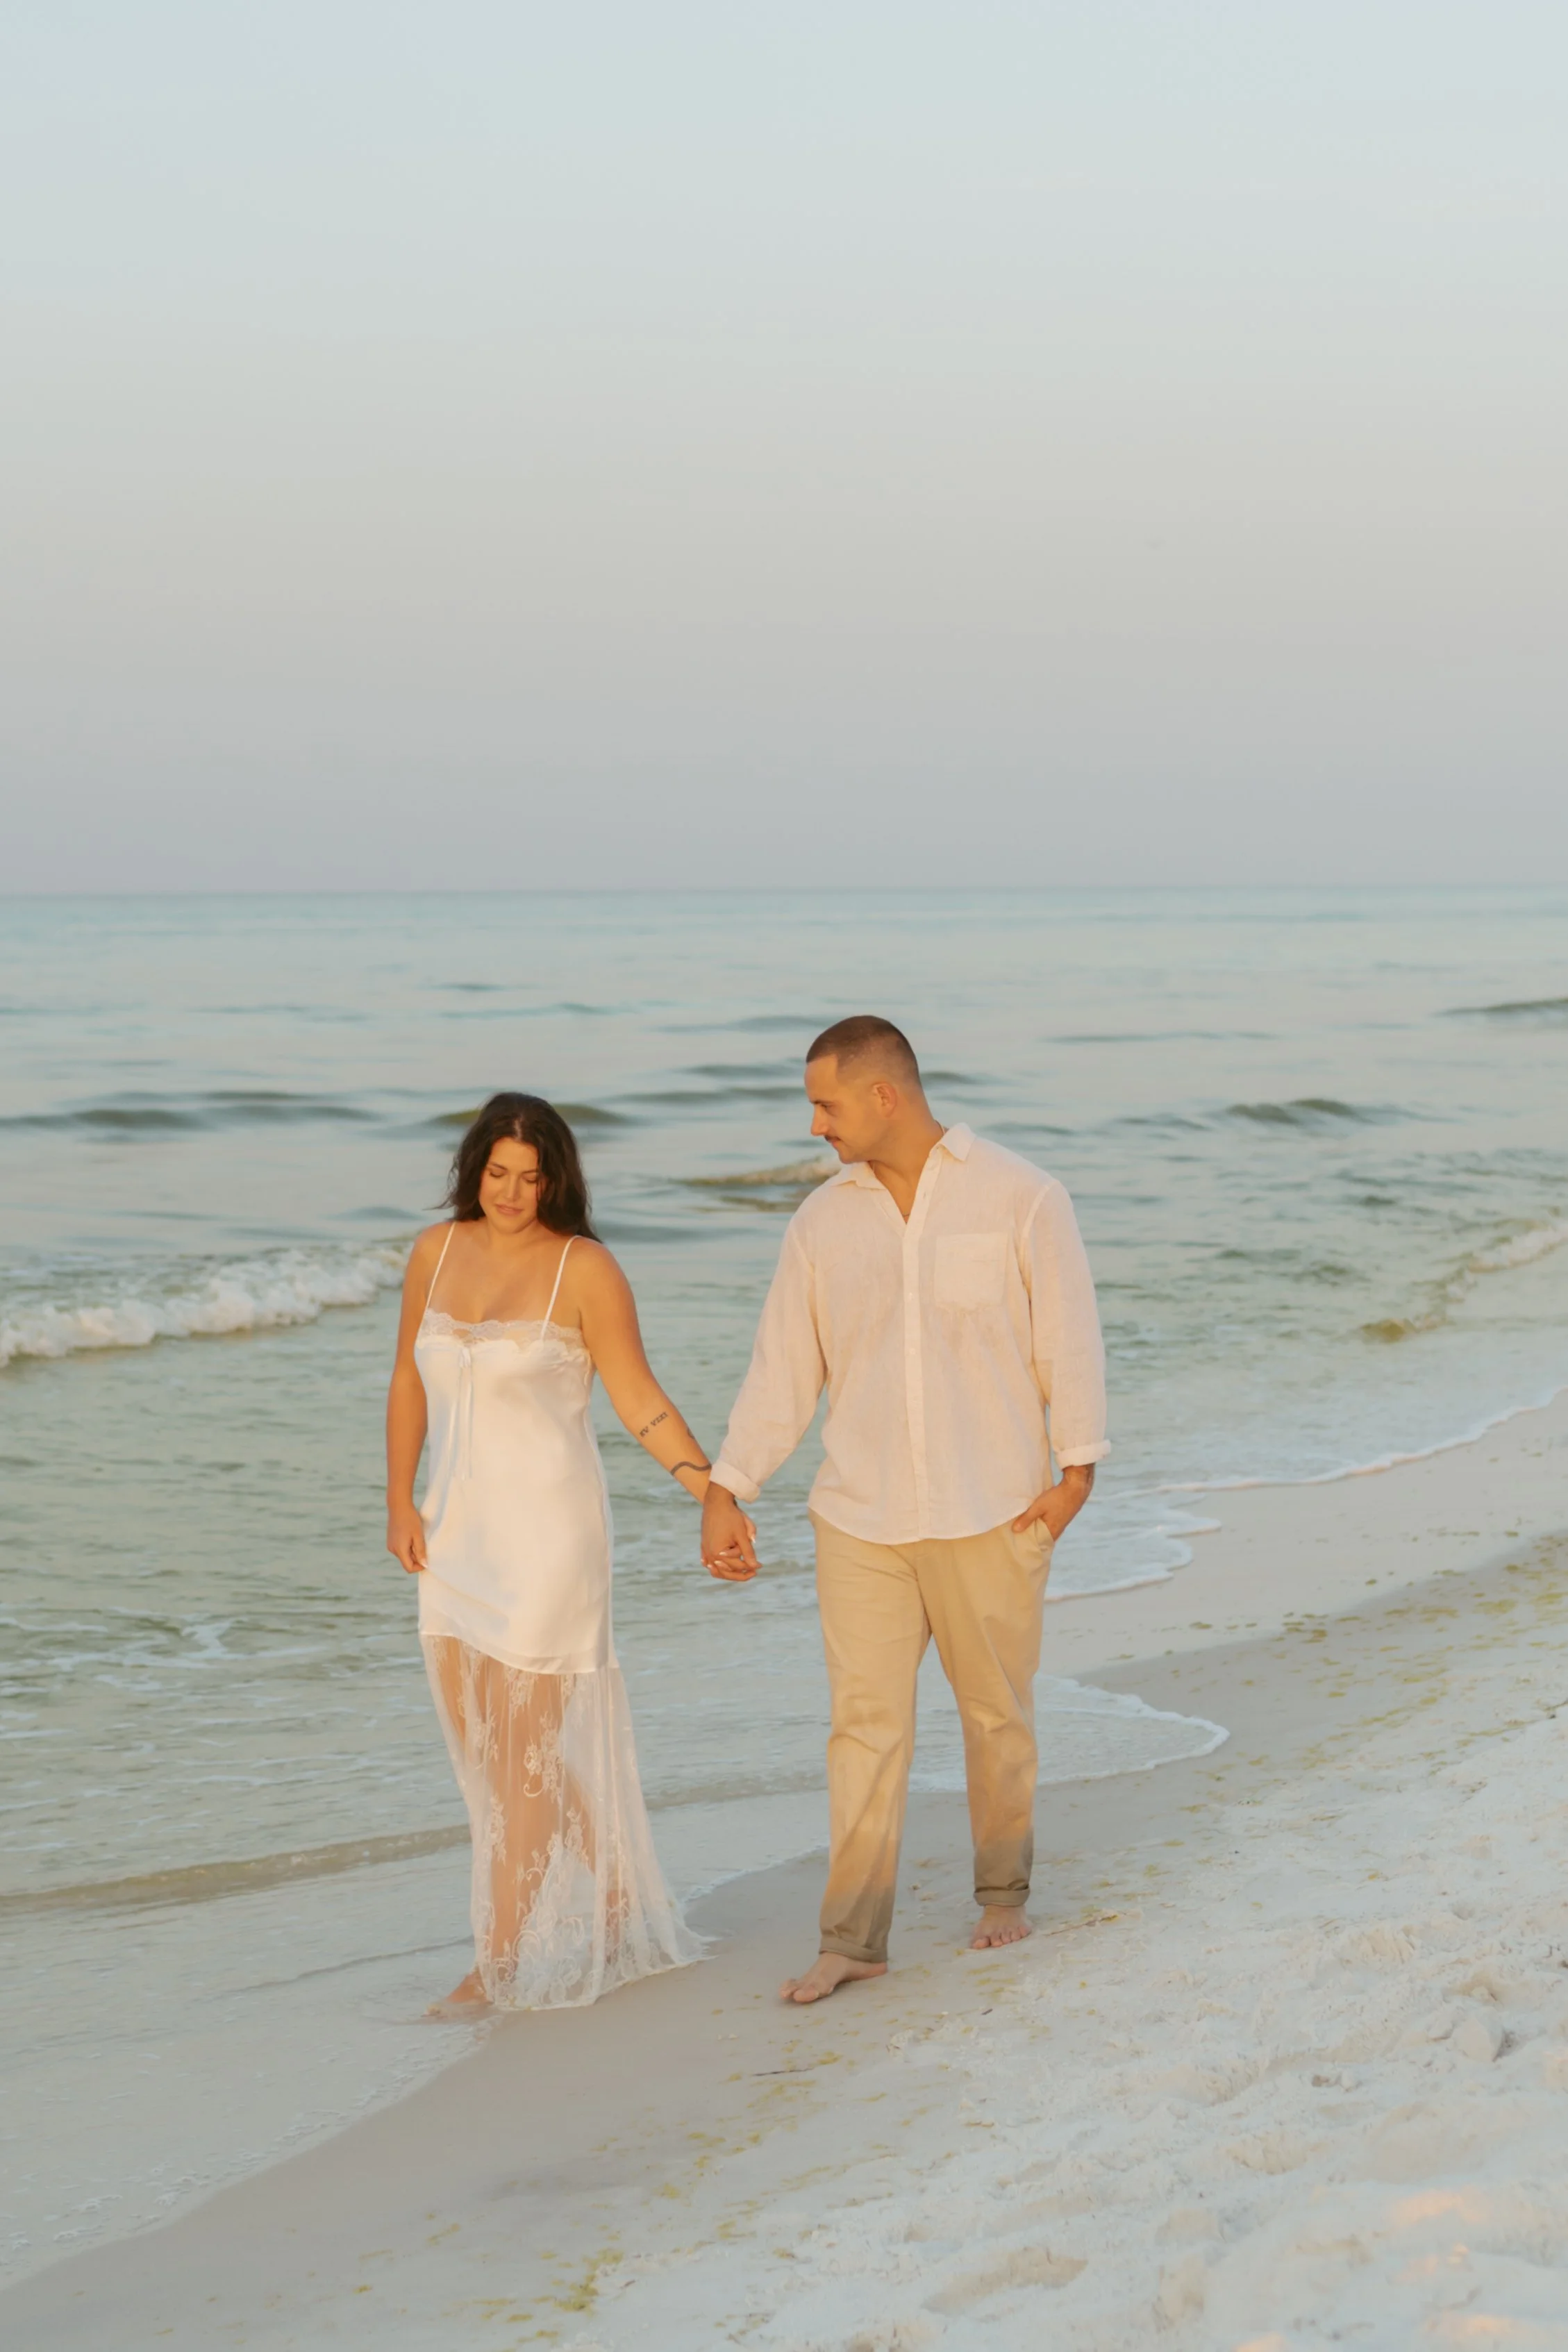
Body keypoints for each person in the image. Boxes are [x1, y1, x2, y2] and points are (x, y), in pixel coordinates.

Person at [701, 1017, 1108, 2005]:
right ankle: (853, 1937)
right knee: (864, 1729)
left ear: (882, 1096)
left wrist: (1074, 1477)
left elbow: (1069, 1339)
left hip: (993, 1510)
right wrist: (728, 1484)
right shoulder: (820, 1225)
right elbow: (783, 1370)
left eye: (825, 1103)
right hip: (861, 1517)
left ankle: (1001, 1893)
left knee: (995, 1717)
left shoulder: (1020, 1195)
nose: (814, 1125)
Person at [386, 1092, 727, 2013]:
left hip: (548, 1543)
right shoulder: (434, 1251)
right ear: (474, 1170)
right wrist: (396, 1500)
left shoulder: (585, 1268)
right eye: (497, 1173)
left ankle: (495, 1963)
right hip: (458, 1536)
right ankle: (617, 1896)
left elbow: (639, 1398)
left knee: (520, 1757)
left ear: (556, 1181)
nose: (510, 1192)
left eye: (531, 1178)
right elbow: (406, 1384)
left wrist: (712, 1491)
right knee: (492, 1747)